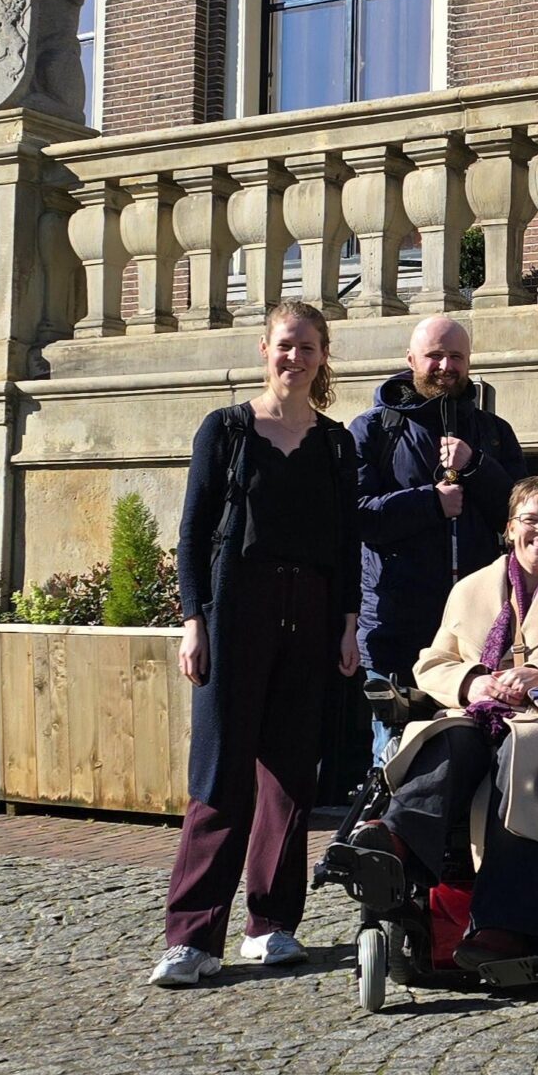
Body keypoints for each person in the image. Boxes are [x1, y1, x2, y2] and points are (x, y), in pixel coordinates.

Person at [152, 299, 362, 988]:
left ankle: (272, 925)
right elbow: (191, 531)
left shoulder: (335, 444)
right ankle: (191, 937)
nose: (294, 358)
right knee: (220, 775)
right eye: (284, 345)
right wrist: (193, 620)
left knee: (291, 778)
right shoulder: (227, 430)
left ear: (322, 356)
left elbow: (346, 542)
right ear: (264, 350)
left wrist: (348, 621)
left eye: (307, 347)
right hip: (237, 607)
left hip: (312, 609)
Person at [355, 475, 538, 972]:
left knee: (519, 754)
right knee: (452, 740)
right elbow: (432, 662)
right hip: (478, 713)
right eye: (530, 520)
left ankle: (506, 924)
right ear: (509, 528)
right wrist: (472, 683)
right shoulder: (470, 589)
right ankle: (394, 846)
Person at [350, 315, 525, 734]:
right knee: (392, 756)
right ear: (411, 359)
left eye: (456, 357)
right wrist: (431, 503)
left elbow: (522, 516)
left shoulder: (494, 433)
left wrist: (477, 466)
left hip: (474, 633)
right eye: (435, 356)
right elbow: (356, 514)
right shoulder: (373, 429)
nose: (446, 366)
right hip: (394, 628)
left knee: (465, 752)